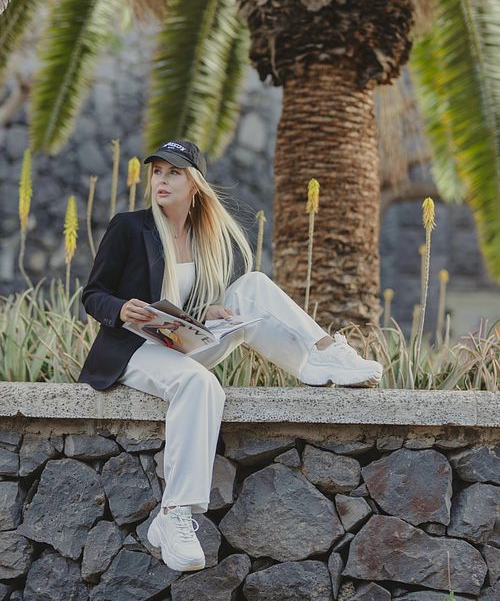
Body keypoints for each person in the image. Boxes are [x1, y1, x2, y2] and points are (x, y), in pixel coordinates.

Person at [77, 139, 383, 573]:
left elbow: (181, 301)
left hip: (180, 343)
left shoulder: (205, 236)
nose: (162, 180)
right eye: (157, 172)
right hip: (135, 350)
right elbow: (93, 294)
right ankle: (174, 515)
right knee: (200, 384)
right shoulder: (129, 227)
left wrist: (208, 312)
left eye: (174, 173)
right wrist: (121, 308)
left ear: (194, 184)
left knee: (253, 285)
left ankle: (322, 356)